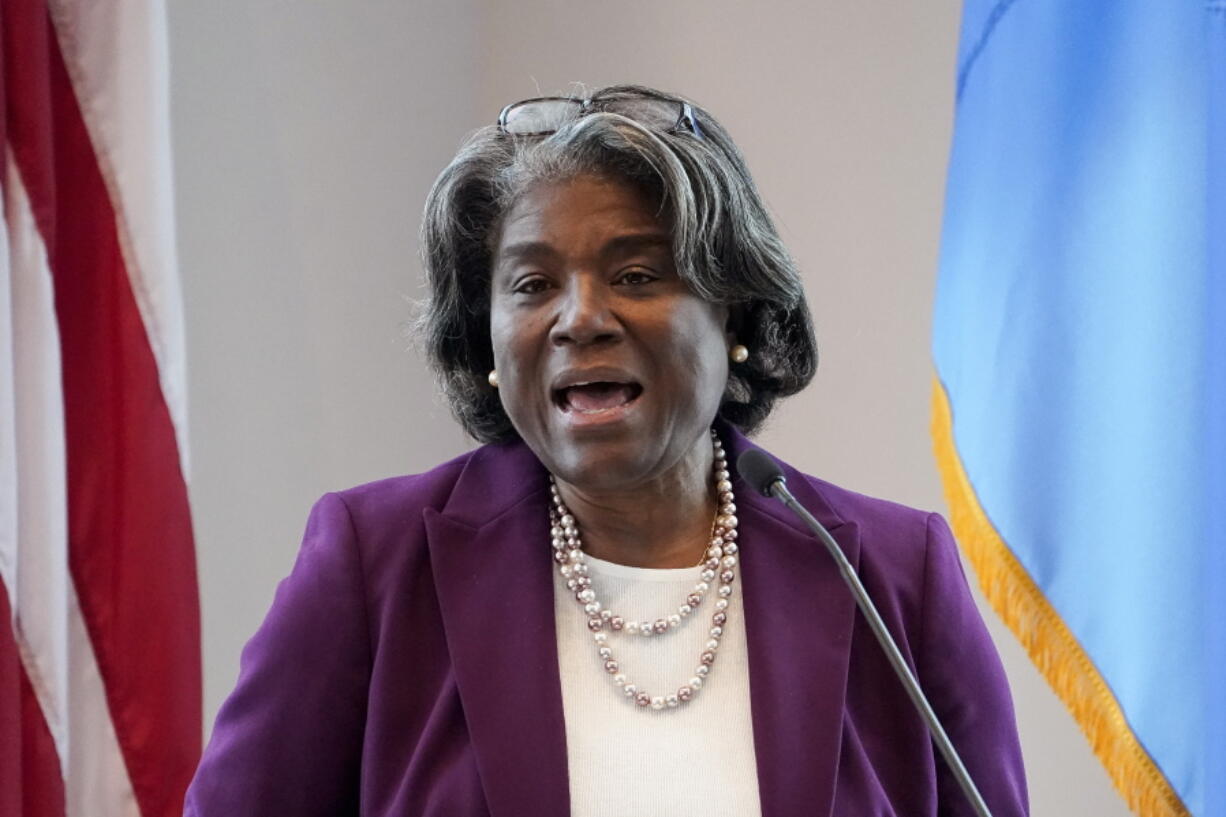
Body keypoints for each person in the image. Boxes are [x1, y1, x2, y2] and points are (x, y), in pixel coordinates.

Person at [185, 85, 1028, 816]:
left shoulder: (894, 577)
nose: (579, 318)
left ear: (734, 316)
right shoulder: (374, 565)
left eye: (636, 275)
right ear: (485, 336)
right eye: (532, 284)